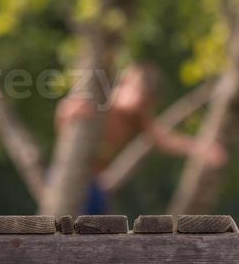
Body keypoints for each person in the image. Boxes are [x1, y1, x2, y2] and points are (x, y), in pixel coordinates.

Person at [54, 62, 227, 213]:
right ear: (126, 84)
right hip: (71, 177)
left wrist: (200, 148)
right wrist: (66, 114)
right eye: (140, 95)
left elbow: (164, 140)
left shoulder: (136, 117)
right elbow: (65, 116)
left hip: (95, 183)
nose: (141, 105)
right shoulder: (100, 103)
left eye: (146, 102)